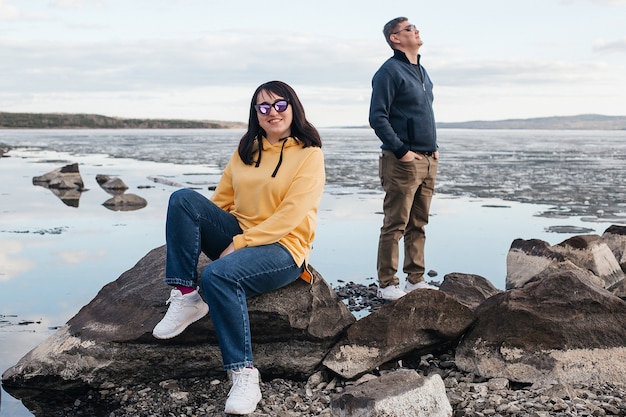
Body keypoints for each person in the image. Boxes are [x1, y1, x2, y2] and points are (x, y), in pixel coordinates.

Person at [152, 80, 325, 415]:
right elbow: (220, 201)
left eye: (279, 104)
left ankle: (243, 374)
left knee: (217, 275)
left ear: (293, 107)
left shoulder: (309, 155)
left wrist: (241, 243)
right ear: (255, 114)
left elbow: (291, 215)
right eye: (263, 107)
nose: (272, 112)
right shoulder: (246, 149)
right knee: (184, 199)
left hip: (283, 248)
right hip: (240, 235)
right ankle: (186, 295)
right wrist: (203, 231)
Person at [369, 17, 439, 301]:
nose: (416, 30)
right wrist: (402, 150)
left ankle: (415, 279)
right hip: (402, 161)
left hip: (427, 158)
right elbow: (377, 117)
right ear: (395, 38)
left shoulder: (422, 71)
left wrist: (433, 147)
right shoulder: (389, 72)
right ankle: (387, 283)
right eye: (409, 28)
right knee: (395, 224)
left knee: (419, 223)